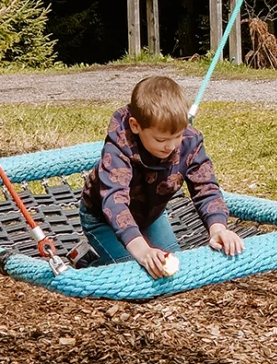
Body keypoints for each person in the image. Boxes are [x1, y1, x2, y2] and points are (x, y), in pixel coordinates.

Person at [79, 75, 244, 277]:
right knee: (134, 275)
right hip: (103, 218)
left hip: (150, 213)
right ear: (135, 125)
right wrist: (143, 251)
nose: (171, 146)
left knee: (171, 268)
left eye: (178, 136)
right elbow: (114, 202)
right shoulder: (119, 149)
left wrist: (218, 229)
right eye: (161, 139)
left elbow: (206, 188)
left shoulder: (189, 143)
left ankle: (112, 255)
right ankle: (86, 262)